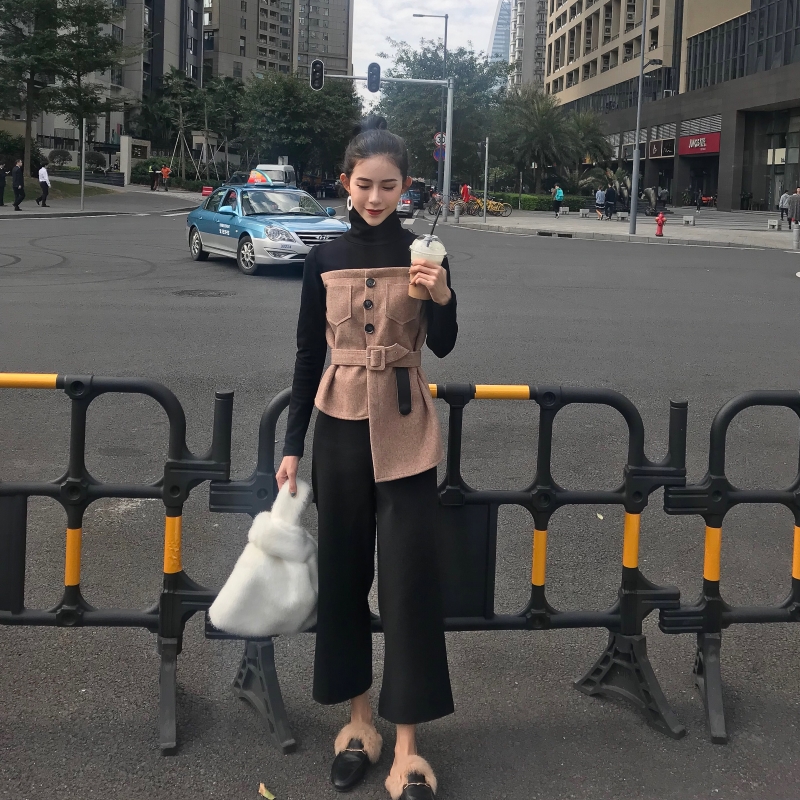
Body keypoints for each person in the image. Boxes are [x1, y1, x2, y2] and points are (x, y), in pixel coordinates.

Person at [276, 115, 457, 800]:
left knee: (409, 584)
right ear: (345, 183)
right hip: (340, 428)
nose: (375, 197)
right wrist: (292, 446)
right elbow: (306, 355)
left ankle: (407, 747)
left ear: (406, 186)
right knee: (344, 576)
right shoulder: (323, 257)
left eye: (388, 186)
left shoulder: (425, 253)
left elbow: (445, 343)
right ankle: (358, 723)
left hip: (408, 431)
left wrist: (441, 294)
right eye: (364, 184)